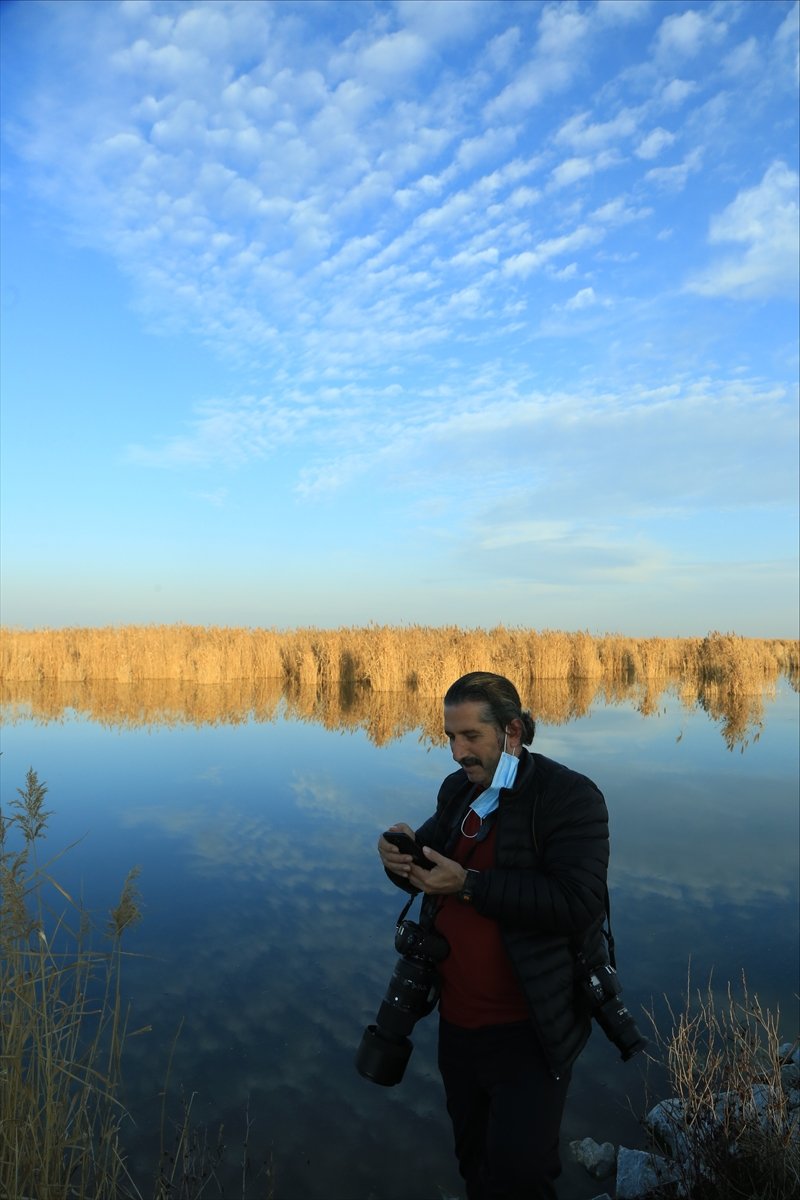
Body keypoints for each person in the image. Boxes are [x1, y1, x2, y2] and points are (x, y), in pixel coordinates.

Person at [377, 671, 609, 1200]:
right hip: (458, 1027)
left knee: (521, 1177)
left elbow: (578, 903)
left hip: (531, 1029)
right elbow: (431, 864)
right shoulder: (459, 791)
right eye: (450, 737)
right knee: (473, 1163)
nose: (457, 752)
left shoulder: (569, 798)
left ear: (512, 732)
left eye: (470, 737)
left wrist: (472, 887)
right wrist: (398, 859)